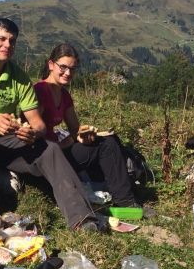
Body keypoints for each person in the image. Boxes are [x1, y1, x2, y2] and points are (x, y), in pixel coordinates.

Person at [0, 18, 99, 231]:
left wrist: (33, 132)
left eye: (12, 41)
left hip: (9, 144)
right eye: (2, 39)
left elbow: (38, 123)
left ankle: (82, 218)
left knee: (49, 148)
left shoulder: (20, 78)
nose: (7, 45)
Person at [34, 43, 138, 207]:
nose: (68, 73)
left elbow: (75, 129)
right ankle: (125, 201)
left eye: (72, 69)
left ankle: (117, 190)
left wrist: (83, 134)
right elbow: (34, 135)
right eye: (63, 67)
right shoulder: (39, 91)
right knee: (108, 146)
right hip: (46, 157)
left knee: (109, 140)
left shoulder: (64, 94)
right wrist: (65, 142)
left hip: (59, 149)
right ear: (51, 65)